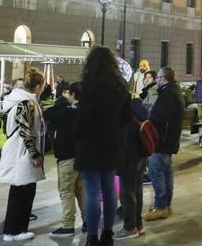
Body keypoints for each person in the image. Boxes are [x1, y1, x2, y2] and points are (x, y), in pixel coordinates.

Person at [74, 46, 132, 245]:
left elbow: (82, 118)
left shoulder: (89, 85)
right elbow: (126, 117)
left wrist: (76, 133)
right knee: (109, 190)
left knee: (91, 191)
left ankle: (92, 236)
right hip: (111, 143)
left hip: (90, 144)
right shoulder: (121, 86)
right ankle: (107, 234)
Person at [0, 68, 46, 243]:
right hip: (22, 153)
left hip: (17, 151)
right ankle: (15, 230)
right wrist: (34, 154)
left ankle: (13, 230)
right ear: (38, 86)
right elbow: (27, 131)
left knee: (19, 190)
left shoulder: (17, 100)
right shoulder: (26, 103)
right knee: (23, 192)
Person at [43, 81, 85, 238]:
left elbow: (49, 114)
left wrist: (62, 101)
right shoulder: (85, 110)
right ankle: (87, 222)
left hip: (67, 158)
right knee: (82, 190)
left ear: (72, 95)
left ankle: (68, 226)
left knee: (66, 191)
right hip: (82, 157)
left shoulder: (67, 111)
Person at [144, 67, 185, 220]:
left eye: (159, 77)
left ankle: (161, 206)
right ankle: (166, 205)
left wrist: (149, 118)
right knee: (166, 172)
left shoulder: (168, 94)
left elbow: (159, 118)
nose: (157, 80)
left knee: (157, 173)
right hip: (169, 141)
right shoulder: (174, 92)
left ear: (165, 79)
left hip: (162, 141)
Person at [115, 93, 149, 239]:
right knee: (137, 190)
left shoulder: (123, 111)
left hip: (128, 157)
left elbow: (124, 137)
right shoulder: (137, 107)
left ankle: (130, 227)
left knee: (127, 193)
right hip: (141, 155)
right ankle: (138, 224)